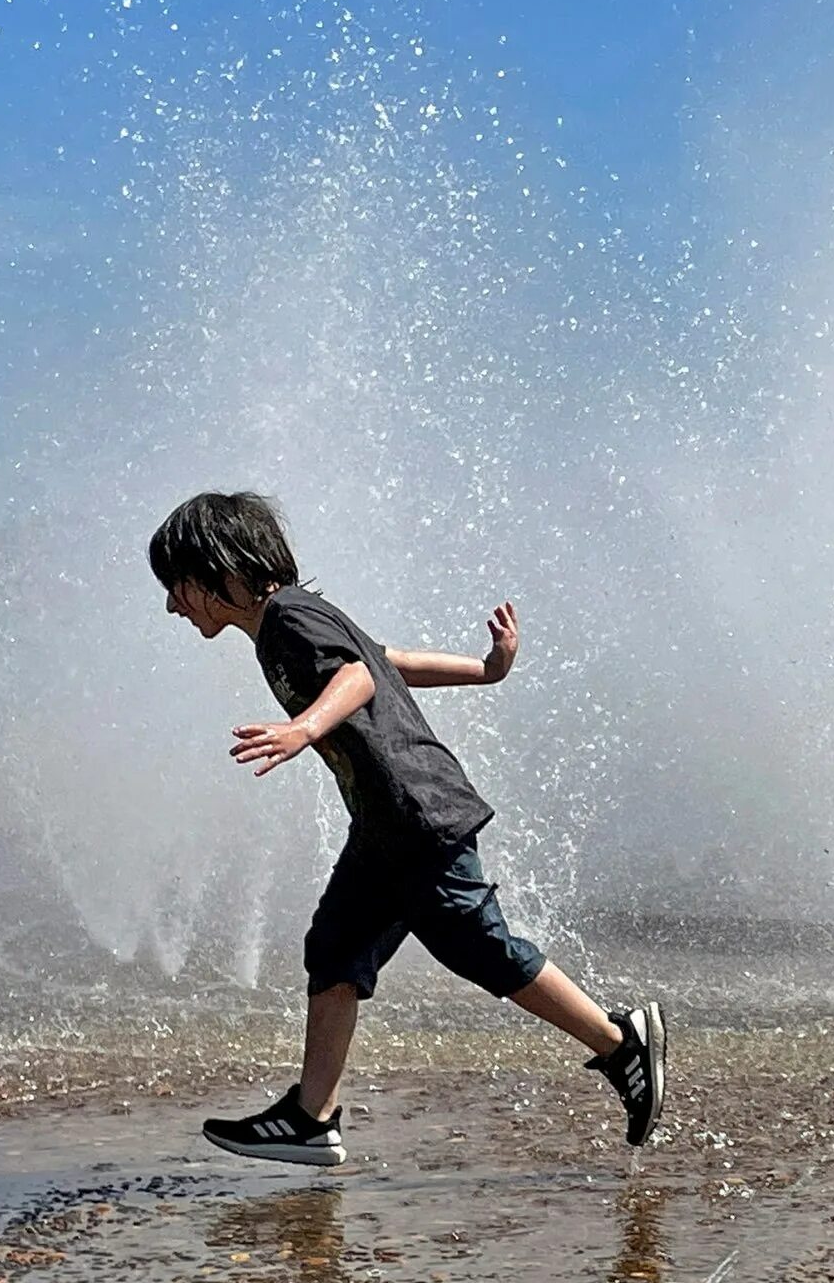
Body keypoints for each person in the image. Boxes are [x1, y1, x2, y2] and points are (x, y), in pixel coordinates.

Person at [150, 490, 666, 1164]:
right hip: (383, 827)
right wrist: (485, 672)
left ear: (219, 569)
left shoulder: (287, 618)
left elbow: (360, 677)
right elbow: (386, 659)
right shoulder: (297, 619)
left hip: (416, 814)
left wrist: (303, 728)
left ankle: (620, 1043)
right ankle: (312, 1116)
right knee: (334, 949)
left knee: (480, 947)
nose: (172, 605)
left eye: (177, 586)